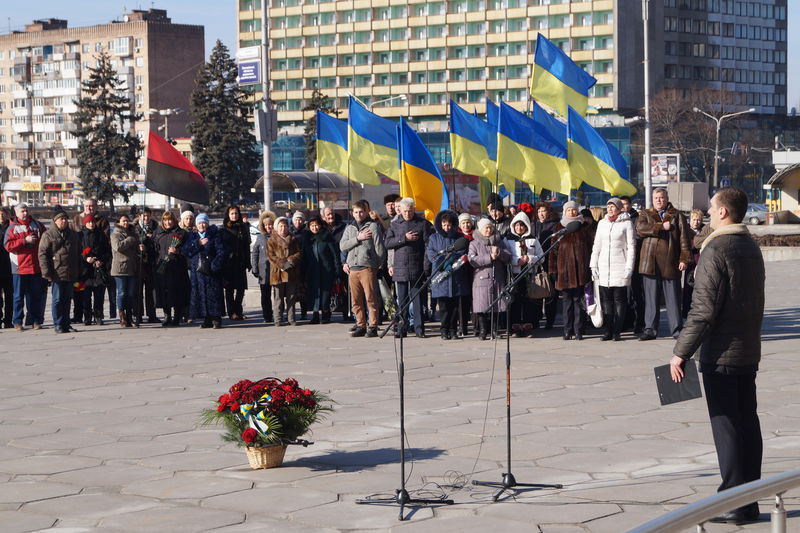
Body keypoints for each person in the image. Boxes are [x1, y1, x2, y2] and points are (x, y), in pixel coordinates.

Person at [670, 187, 764, 525]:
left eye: (711, 207)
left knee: (727, 427)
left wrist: (681, 352)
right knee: (747, 423)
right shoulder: (750, 246)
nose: (707, 212)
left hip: (722, 353)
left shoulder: (717, 248)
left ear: (724, 212)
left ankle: (734, 500)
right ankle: (749, 500)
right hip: (747, 349)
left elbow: (703, 310)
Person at [636, 188, 692, 340]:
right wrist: (660, 226)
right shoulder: (645, 214)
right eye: (656, 198)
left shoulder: (677, 215)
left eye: (662, 197)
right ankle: (650, 329)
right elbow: (640, 229)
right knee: (651, 298)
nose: (659, 200)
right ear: (652, 200)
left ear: (667, 198)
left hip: (671, 261)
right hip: (650, 262)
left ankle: (676, 329)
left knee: (673, 298)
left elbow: (684, 239)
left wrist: (684, 259)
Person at [385, 197, 432, 338]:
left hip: (417, 266)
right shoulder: (395, 224)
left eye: (410, 211)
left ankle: (419, 329)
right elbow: (387, 243)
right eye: (405, 211)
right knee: (402, 300)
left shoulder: (422, 223)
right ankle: (402, 328)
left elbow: (428, 245)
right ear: (400, 210)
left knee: (417, 300)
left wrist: (426, 266)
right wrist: (403, 238)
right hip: (400, 266)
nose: (407, 214)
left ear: (414, 209)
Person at [590, 198, 636, 341]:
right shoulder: (602, 224)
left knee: (620, 300)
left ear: (620, 208)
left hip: (620, 266)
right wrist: (593, 265)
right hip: (604, 267)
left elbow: (631, 247)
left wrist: (629, 267)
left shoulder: (627, 223)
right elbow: (596, 245)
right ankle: (607, 330)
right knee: (606, 300)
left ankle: (617, 330)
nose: (610, 209)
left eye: (613, 206)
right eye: (608, 206)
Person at [340, 199, 385, 338]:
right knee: (356, 299)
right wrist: (357, 238)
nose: (358, 214)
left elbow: (380, 249)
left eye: (361, 212)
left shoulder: (373, 227)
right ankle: (360, 324)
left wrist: (376, 265)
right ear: (352, 213)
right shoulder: (349, 228)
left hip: (367, 267)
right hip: (353, 268)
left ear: (366, 212)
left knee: (370, 298)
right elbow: (343, 246)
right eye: (356, 212)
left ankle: (373, 325)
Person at [549, 201, 592, 340]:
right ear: (565, 212)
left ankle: (579, 330)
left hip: (581, 271)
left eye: (574, 210)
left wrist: (590, 269)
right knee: (567, 302)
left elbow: (591, 249)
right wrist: (553, 270)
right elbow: (553, 252)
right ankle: (567, 330)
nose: (572, 213)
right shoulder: (559, 227)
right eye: (569, 210)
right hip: (564, 272)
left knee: (579, 301)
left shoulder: (584, 227)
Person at [426, 210, 471, 340]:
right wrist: (442, 263)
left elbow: (462, 252)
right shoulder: (434, 238)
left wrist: (451, 262)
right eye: (444, 224)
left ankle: (453, 330)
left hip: (456, 276)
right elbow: (431, 254)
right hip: (441, 277)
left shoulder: (459, 237)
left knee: (455, 306)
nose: (447, 227)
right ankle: (444, 330)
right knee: (444, 306)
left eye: (449, 224)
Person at [4, 203, 46, 331]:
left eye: (26, 210)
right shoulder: (12, 229)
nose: (25, 213)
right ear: (16, 213)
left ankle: (36, 321)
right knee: (18, 297)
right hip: (19, 268)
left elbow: (46, 240)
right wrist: (24, 241)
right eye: (22, 211)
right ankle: (17, 321)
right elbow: (7, 246)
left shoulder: (37, 225)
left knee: (36, 296)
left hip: (35, 267)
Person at [38, 211, 82, 333]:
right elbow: (42, 254)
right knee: (57, 299)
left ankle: (66, 323)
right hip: (56, 272)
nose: (64, 221)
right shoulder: (48, 234)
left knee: (67, 299)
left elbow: (79, 252)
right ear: (55, 221)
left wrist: (79, 269)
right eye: (61, 219)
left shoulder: (73, 234)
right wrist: (46, 273)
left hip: (70, 272)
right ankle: (58, 324)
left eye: (65, 219)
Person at [468, 218, 511, 340]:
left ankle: (495, 330)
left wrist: (499, 254)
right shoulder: (474, 244)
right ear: (480, 230)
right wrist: (489, 257)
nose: (489, 230)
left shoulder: (499, 241)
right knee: (482, 306)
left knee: (496, 305)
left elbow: (508, 256)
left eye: (490, 227)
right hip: (481, 279)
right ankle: (483, 330)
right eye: (486, 228)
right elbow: (472, 260)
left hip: (497, 277)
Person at [504, 211, 544, 337]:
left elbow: (542, 256)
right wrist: (517, 261)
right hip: (514, 275)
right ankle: (514, 327)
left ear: (526, 226)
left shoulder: (533, 239)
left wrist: (531, 258)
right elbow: (505, 256)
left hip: (529, 275)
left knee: (529, 302)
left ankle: (527, 327)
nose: (519, 228)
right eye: (517, 225)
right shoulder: (508, 239)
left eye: (522, 225)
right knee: (514, 301)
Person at [184, 214, 226, 328]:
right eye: (199, 223)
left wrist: (215, 265)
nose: (201, 225)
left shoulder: (215, 235)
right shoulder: (192, 236)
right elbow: (186, 251)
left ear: (207, 223)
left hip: (212, 271)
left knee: (214, 294)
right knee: (201, 295)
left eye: (203, 223)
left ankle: (216, 318)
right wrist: (198, 243)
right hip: (197, 272)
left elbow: (221, 251)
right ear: (196, 225)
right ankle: (206, 318)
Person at [153, 212, 190, 327]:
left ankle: (177, 316)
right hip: (162, 267)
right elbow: (154, 250)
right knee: (164, 292)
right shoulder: (158, 233)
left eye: (169, 220)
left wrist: (178, 252)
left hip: (177, 268)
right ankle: (167, 316)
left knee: (177, 292)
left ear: (174, 220)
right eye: (165, 220)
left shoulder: (181, 233)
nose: (167, 222)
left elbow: (188, 250)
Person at [302, 216, 340, 324]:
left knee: (325, 293)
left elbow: (335, 255)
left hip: (326, 271)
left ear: (321, 225)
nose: (314, 227)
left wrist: (337, 270)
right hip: (312, 271)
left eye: (316, 225)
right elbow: (304, 256)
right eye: (312, 225)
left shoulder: (327, 237)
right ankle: (315, 315)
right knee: (314, 293)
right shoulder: (307, 238)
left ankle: (326, 314)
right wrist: (302, 271)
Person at [267, 216, 302, 326]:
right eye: (281, 226)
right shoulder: (271, 240)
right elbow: (270, 255)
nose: (283, 229)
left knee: (291, 297)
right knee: (278, 298)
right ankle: (277, 318)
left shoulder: (294, 239)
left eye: (285, 226)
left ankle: (291, 318)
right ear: (277, 228)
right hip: (277, 272)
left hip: (291, 272)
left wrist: (291, 260)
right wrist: (282, 263)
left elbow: (299, 253)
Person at [110, 214, 143, 328]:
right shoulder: (115, 234)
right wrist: (130, 240)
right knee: (122, 293)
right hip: (120, 268)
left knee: (130, 294)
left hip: (132, 267)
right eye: (123, 221)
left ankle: (130, 316)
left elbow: (137, 247)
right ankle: (122, 316)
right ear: (118, 223)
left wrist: (140, 247)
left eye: (127, 221)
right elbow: (118, 247)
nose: (125, 223)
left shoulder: (132, 234)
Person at [220, 205, 251, 321]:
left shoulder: (243, 228)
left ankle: (239, 311)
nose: (234, 216)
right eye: (232, 213)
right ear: (228, 215)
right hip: (228, 263)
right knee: (229, 289)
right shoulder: (223, 229)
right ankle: (232, 312)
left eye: (236, 213)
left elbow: (246, 246)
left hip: (240, 262)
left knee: (241, 288)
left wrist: (248, 262)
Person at [79, 215, 111, 326]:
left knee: (99, 295)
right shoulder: (80, 235)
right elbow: (77, 252)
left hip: (99, 270)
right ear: (85, 223)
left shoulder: (101, 234)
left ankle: (98, 316)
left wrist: (101, 260)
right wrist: (85, 258)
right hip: (85, 272)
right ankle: (87, 317)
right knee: (85, 295)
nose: (91, 224)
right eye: (88, 222)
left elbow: (107, 251)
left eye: (92, 222)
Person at [531, 201, 558, 330]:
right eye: (539, 211)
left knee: (549, 293)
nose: (541, 214)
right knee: (535, 291)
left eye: (543, 211)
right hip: (535, 263)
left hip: (549, 263)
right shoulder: (533, 226)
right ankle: (535, 319)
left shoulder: (554, 226)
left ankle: (550, 320)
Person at [620, 195, 645, 335]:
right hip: (620, 261)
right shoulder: (617, 219)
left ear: (630, 205)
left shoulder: (637, 218)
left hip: (635, 261)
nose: (624, 207)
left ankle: (638, 323)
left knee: (636, 293)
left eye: (626, 204)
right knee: (624, 294)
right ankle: (625, 322)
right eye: (621, 204)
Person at [133, 207, 160, 324]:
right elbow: (132, 241)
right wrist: (140, 243)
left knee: (151, 291)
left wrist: (151, 239)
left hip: (151, 263)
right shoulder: (134, 228)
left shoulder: (156, 227)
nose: (146, 218)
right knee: (138, 291)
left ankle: (152, 314)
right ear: (139, 216)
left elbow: (159, 242)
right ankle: (138, 315)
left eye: (148, 215)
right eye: (144, 215)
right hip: (139, 263)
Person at [251, 211, 276, 323]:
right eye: (266, 225)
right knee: (265, 295)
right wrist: (255, 268)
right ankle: (267, 315)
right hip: (263, 270)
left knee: (278, 295)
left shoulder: (277, 236)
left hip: (276, 270)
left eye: (270, 224)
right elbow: (255, 253)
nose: (268, 227)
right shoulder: (260, 237)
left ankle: (278, 314)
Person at [682, 209, 705, 318]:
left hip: (701, 262)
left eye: (698, 220)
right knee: (688, 288)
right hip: (690, 263)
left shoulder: (704, 230)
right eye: (694, 219)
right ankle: (686, 312)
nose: (696, 222)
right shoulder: (685, 230)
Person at [456, 213, 475, 337]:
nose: (466, 225)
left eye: (468, 222)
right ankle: (462, 327)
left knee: (474, 300)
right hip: (461, 271)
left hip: (474, 270)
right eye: (463, 223)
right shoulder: (458, 237)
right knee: (462, 301)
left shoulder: (476, 236)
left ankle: (476, 325)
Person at [0, 207, 14, 328]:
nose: (1, 217)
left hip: (10, 267)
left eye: (3, 214)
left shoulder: (12, 227)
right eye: (0, 214)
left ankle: (8, 319)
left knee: (10, 296)